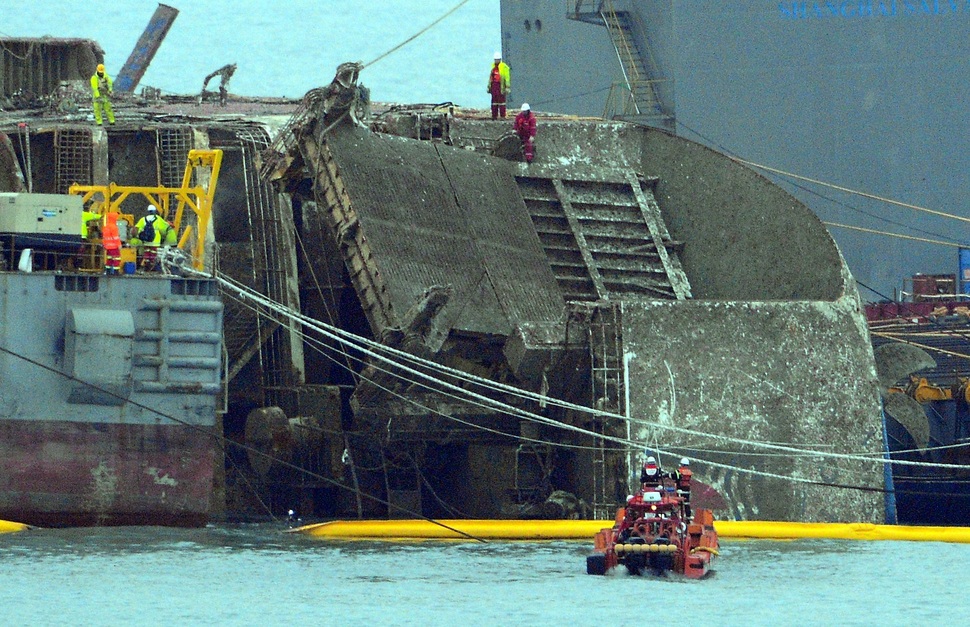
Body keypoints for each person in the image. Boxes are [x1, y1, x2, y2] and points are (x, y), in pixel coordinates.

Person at [131, 205, 172, 271]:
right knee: (153, 256)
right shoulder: (158, 219)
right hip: (155, 241)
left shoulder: (143, 219)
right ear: (154, 211)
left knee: (147, 254)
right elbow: (165, 227)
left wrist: (136, 236)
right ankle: (152, 268)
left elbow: (136, 229)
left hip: (146, 240)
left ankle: (144, 266)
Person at [487, 52, 511, 119]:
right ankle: (494, 115)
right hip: (494, 86)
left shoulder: (504, 67)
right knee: (494, 102)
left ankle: (502, 116)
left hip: (500, 86)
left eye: (497, 59)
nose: (496, 61)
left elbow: (507, 77)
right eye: (495, 59)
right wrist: (489, 87)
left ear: (500, 59)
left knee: (502, 102)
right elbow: (490, 78)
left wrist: (507, 87)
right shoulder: (493, 67)